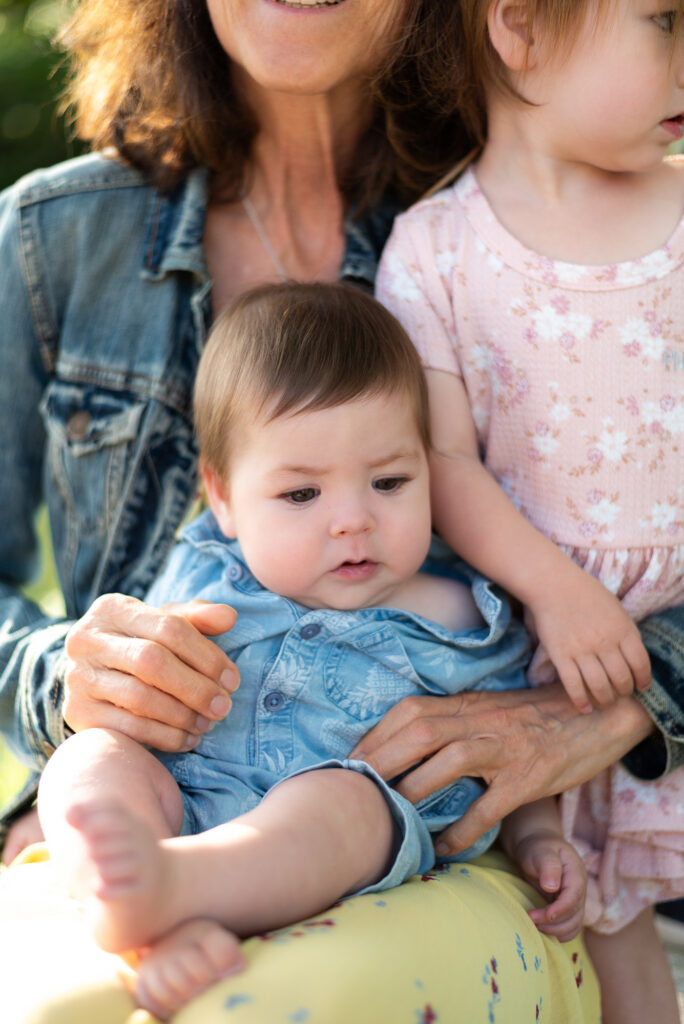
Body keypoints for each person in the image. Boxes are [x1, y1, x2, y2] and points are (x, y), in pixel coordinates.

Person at [0, 0, 675, 1020]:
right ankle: (141, 883)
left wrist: (595, 715)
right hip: (165, 788)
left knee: (291, 993)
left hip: (419, 831)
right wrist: (65, 679)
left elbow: (642, 551)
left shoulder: (520, 212)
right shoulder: (54, 240)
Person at [38, 282, 588, 1020]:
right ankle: (122, 887)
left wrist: (539, 835)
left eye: (389, 482)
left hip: (324, 829)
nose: (353, 521)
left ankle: (179, 892)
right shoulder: (204, 568)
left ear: (430, 470)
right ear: (224, 499)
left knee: (355, 803)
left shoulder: (464, 612)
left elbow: (518, 750)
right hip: (181, 793)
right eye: (302, 496)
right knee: (89, 760)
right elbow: (125, 677)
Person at [375, 0, 684, 1020]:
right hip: (547, 656)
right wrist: (557, 590)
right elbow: (443, 459)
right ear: (519, 27)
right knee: (600, 924)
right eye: (666, 22)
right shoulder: (437, 251)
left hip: (667, 658)